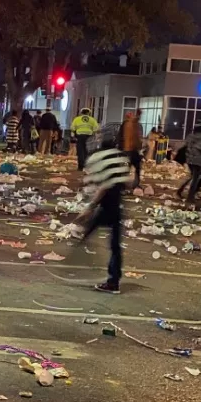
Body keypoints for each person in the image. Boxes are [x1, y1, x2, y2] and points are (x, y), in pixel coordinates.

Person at [79, 124, 133, 294]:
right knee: (115, 245)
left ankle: (78, 257)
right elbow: (128, 182)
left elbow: (101, 186)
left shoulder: (97, 158)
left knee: (89, 229)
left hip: (105, 202)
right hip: (116, 203)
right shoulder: (120, 156)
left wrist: (90, 206)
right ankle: (114, 280)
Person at [71, 106, 99, 171]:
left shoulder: (77, 119)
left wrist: (73, 135)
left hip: (80, 136)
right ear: (89, 113)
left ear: (81, 113)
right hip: (89, 137)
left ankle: (80, 167)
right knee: (87, 151)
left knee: (80, 151)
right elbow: (96, 129)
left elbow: (72, 128)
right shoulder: (92, 119)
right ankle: (87, 166)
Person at [120, 109, 143, 188]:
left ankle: (122, 185)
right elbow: (135, 138)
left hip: (127, 149)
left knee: (127, 168)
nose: (134, 116)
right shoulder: (130, 125)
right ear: (130, 117)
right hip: (131, 150)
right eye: (132, 115)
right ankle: (134, 184)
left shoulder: (126, 124)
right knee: (136, 167)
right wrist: (139, 147)